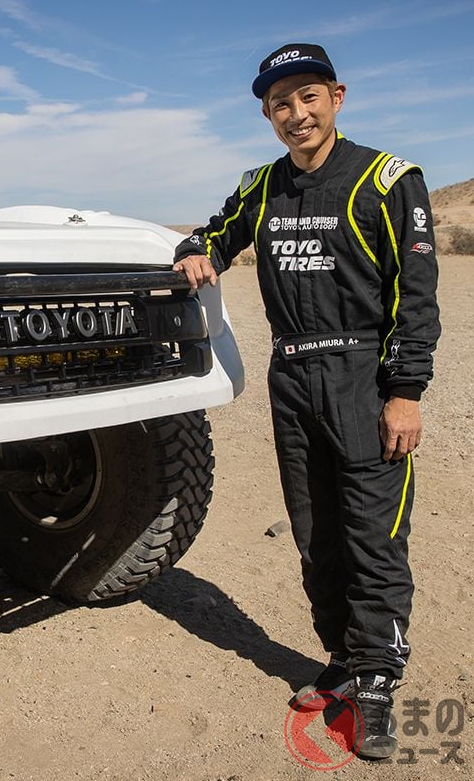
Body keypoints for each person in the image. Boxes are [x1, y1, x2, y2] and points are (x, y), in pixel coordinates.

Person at [172, 43, 440, 760]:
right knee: (317, 535)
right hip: (292, 378)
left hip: (364, 376)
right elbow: (216, 237)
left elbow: (417, 297)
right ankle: (344, 662)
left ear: (337, 97)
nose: (297, 114)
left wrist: (405, 393)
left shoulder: (387, 180)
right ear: (267, 114)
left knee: (373, 538)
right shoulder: (262, 186)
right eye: (281, 104)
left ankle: (378, 679)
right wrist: (197, 251)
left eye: (308, 97)